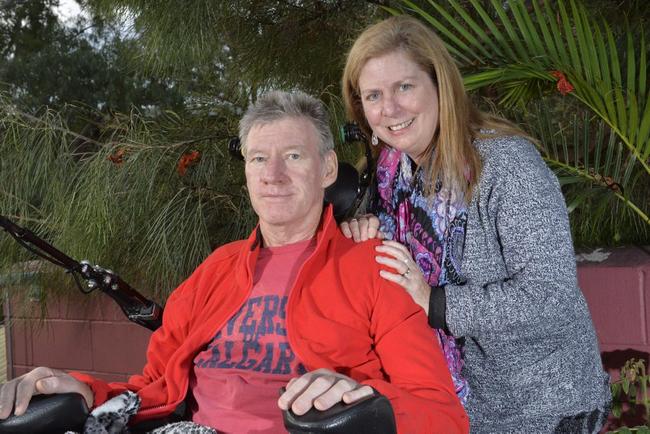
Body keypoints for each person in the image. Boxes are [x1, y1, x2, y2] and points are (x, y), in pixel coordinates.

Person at [0, 90, 468, 433]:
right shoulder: (215, 271)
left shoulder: (373, 267)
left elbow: (442, 414)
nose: (273, 175)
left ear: (328, 169)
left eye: (293, 156)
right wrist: (81, 389)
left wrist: (366, 403)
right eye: (259, 158)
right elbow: (154, 389)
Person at [339, 15, 611, 433]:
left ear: (439, 86)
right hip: (444, 406)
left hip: (540, 408)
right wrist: (360, 226)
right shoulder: (388, 174)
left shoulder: (506, 165)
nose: (389, 108)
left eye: (404, 87)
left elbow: (549, 293)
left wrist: (436, 302)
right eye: (373, 95)